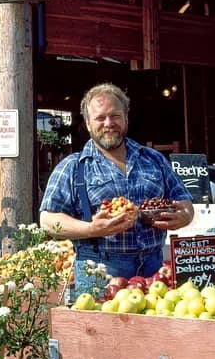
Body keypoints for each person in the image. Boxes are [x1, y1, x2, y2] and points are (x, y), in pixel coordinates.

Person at [39, 83, 194, 290]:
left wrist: (185, 216)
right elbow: (48, 220)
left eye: (115, 116)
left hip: (154, 269)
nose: (109, 123)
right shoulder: (72, 166)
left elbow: (184, 201)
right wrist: (91, 229)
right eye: (100, 118)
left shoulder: (154, 159)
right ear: (88, 124)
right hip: (99, 271)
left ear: (126, 118)